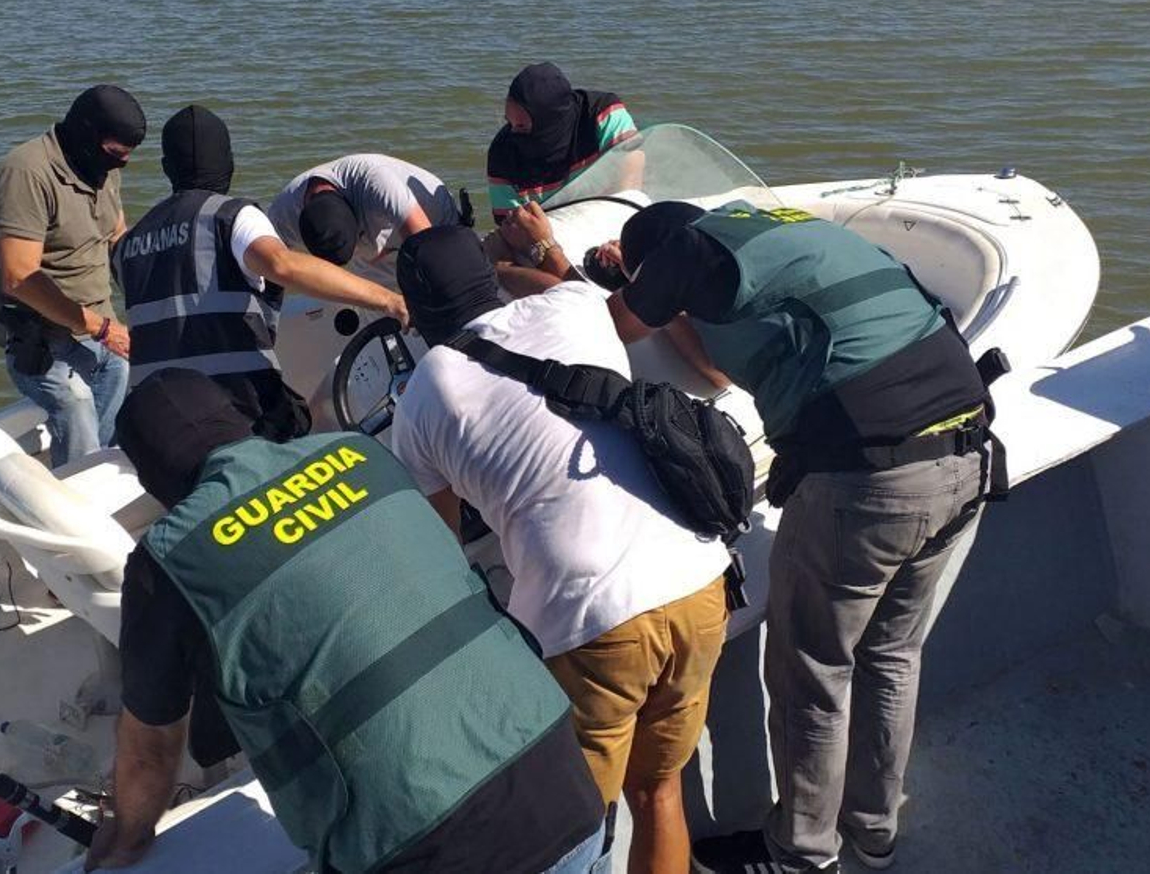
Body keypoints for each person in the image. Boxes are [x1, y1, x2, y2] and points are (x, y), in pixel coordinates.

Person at [85, 368, 608, 873]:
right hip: (565, 785)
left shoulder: (169, 557)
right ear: (239, 420)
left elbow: (150, 754)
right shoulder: (358, 452)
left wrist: (125, 838)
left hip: (426, 849)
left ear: (152, 477)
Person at [606, 201, 997, 874]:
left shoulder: (685, 250)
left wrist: (571, 269)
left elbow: (612, 324)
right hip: (969, 452)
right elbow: (722, 369)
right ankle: (875, 832)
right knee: (894, 655)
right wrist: (674, 305)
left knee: (814, 672)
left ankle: (801, 855)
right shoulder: (773, 231)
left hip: (871, 482)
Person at [388, 225, 731, 874]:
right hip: (699, 576)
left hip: (592, 617)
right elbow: (560, 293)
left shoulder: (426, 389)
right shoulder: (574, 302)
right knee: (659, 791)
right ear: (489, 277)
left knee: (573, 828)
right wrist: (530, 257)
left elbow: (437, 550)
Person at [112, 105, 408, 438]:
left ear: (167, 169)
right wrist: (389, 300)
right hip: (234, 416)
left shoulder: (129, 245)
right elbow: (282, 264)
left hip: (158, 425)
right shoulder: (232, 216)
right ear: (229, 162)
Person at [0, 84, 143, 467]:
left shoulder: (101, 169)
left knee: (122, 381)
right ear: (87, 135)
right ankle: (74, 494)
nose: (119, 166)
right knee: (76, 404)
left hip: (100, 328)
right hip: (42, 340)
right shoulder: (26, 173)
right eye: (115, 155)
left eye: (126, 158)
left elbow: (116, 235)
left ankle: (98, 472)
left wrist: (152, 291)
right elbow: (19, 276)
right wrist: (102, 329)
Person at [266, 153, 461, 287]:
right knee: (378, 307)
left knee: (438, 280)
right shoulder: (282, 215)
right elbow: (269, 267)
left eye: (360, 236)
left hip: (433, 221)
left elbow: (430, 246)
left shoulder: (377, 182)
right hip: (371, 258)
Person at [486, 62, 638, 222]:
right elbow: (511, 225)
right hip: (551, 235)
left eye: (522, 126)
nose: (513, 133)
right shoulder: (502, 152)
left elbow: (631, 178)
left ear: (549, 121)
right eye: (509, 123)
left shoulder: (603, 113)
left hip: (611, 219)